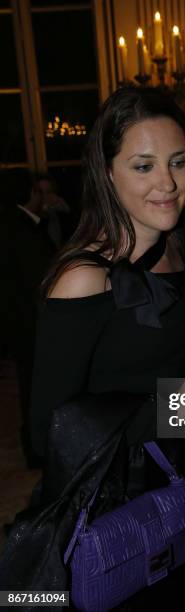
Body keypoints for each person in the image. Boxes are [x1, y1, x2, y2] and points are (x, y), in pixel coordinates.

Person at [1, 86, 185, 609]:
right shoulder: (84, 279)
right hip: (119, 515)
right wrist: (177, 408)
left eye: (179, 162)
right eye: (143, 166)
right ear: (106, 173)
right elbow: (48, 432)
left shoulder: (181, 245)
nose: (168, 183)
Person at [0, 177, 56, 468]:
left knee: (30, 386)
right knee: (34, 389)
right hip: (29, 323)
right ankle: (37, 451)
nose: (50, 197)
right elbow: (40, 280)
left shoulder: (20, 224)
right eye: (45, 191)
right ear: (33, 193)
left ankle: (36, 449)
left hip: (19, 322)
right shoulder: (22, 230)